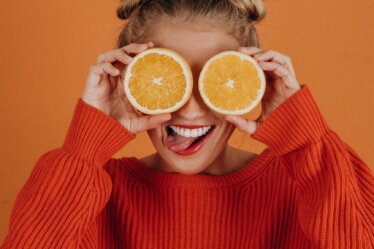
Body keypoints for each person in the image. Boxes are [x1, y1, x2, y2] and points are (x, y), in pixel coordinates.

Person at [1, 0, 373, 248]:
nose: (192, 111)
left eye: (214, 79)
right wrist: (85, 146)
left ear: (253, 82)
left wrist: (306, 139)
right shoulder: (91, 197)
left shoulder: (307, 188)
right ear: (129, 81)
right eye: (168, 79)